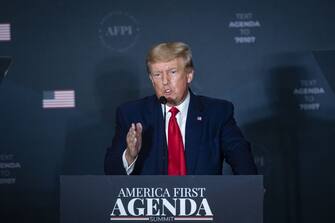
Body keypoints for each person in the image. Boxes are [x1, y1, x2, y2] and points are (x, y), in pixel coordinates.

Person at [104, 42, 257, 175]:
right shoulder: (131, 114)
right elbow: (111, 170)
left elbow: (242, 159)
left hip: (205, 205)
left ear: (189, 75)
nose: (165, 81)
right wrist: (130, 155)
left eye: (172, 72)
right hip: (150, 207)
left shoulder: (217, 112)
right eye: (157, 74)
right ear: (151, 79)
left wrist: (250, 190)